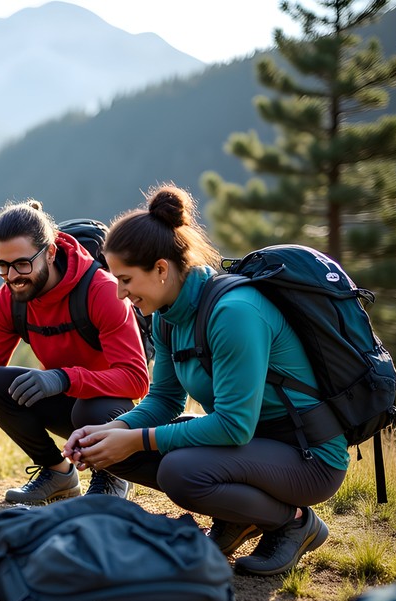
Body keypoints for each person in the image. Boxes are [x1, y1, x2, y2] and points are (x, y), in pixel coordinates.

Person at [62, 185, 348, 576]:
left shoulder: (233, 314)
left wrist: (136, 438)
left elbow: (234, 425)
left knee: (180, 472)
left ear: (161, 269)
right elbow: (163, 398)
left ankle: (294, 523)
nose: (119, 292)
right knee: (121, 452)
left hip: (307, 456)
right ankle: (235, 515)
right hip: (251, 446)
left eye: (126, 279)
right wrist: (110, 430)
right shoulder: (167, 315)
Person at [0, 200, 150, 503]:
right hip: (68, 402)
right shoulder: (9, 301)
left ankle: (111, 475)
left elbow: (136, 380)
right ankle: (57, 473)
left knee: (91, 409)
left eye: (22, 264)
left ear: (50, 253)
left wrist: (63, 379)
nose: (12, 276)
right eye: (2, 265)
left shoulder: (101, 290)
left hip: (113, 411)